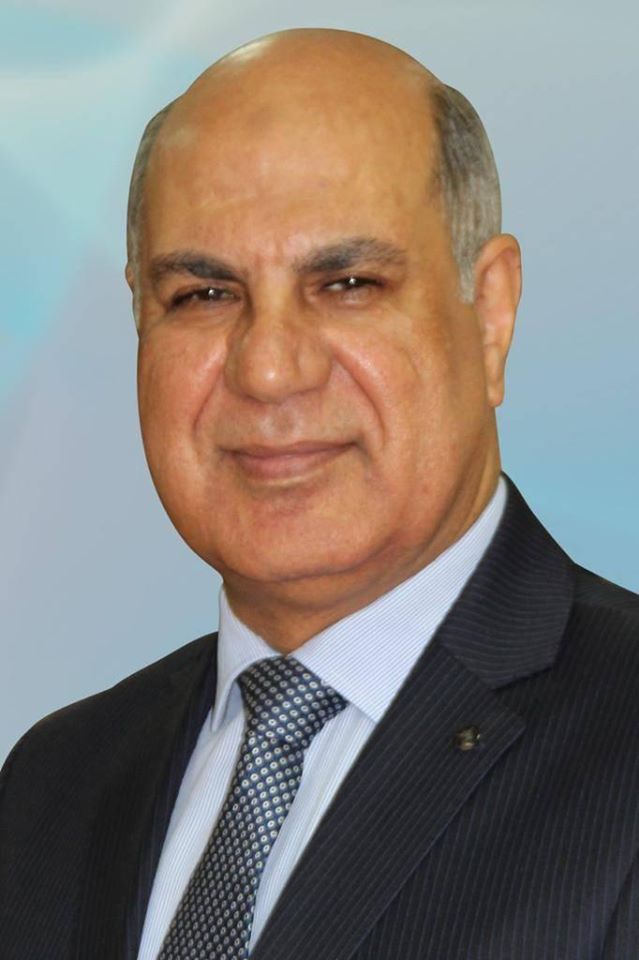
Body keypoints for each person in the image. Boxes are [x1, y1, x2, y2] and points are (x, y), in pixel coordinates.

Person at [1, 27, 637, 960]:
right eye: (204, 295)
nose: (268, 369)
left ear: (490, 316)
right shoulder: (51, 786)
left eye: (347, 283)